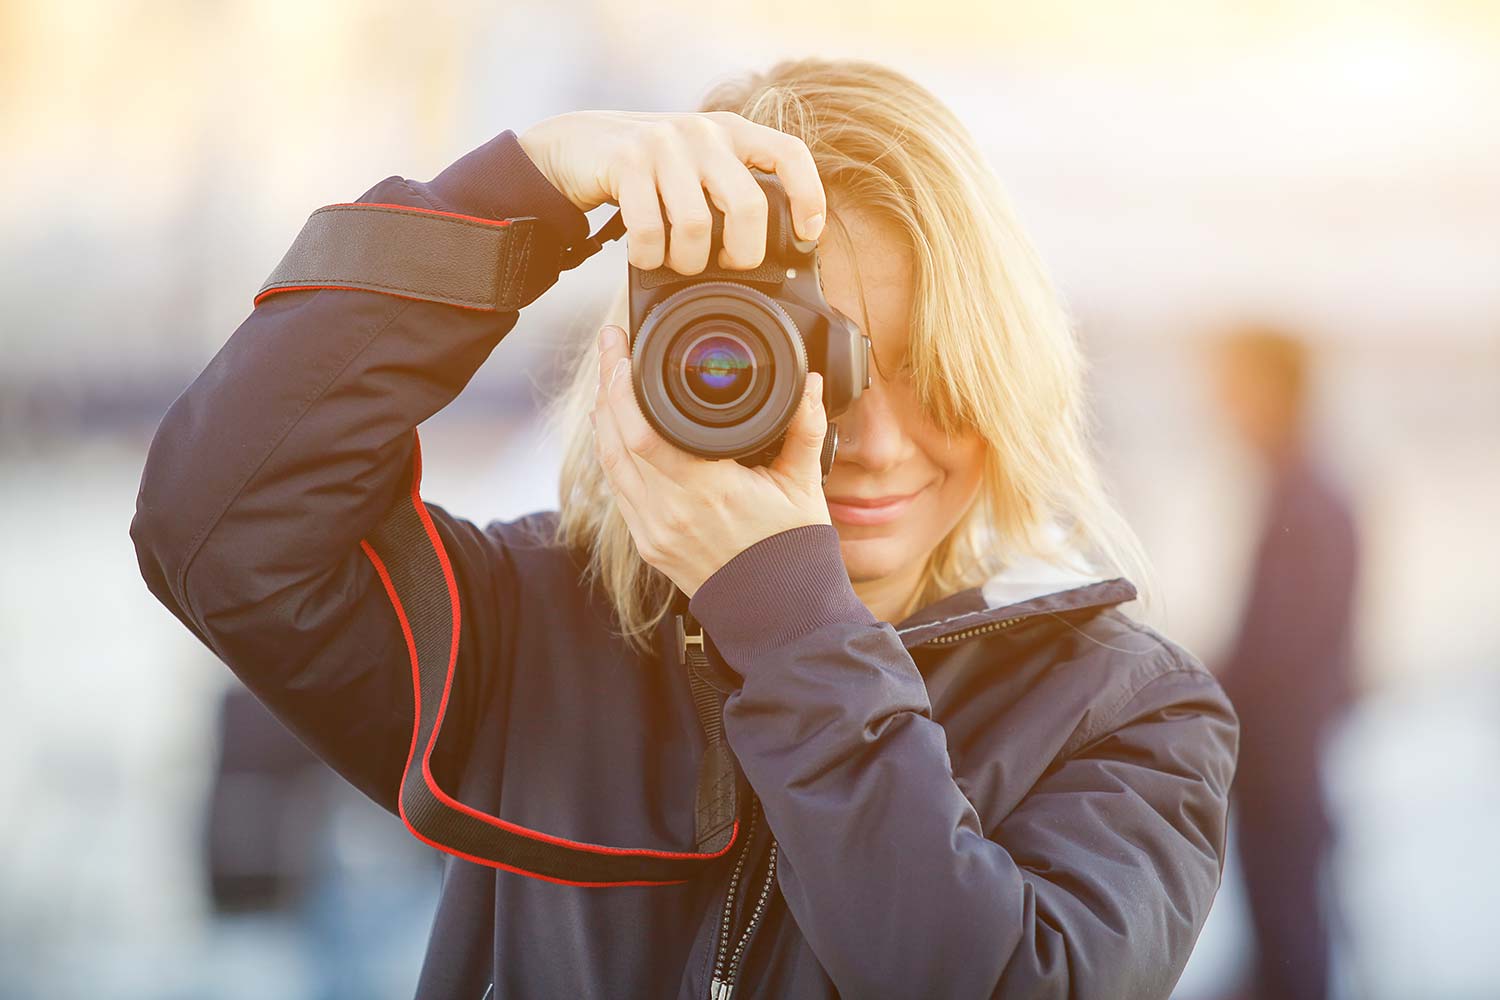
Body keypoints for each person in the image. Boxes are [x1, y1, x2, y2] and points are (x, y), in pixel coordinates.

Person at [132, 57, 1238, 999]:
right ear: (668, 358)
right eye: (820, 367)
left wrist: (790, 620)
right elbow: (215, 525)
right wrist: (524, 193)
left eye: (937, 375)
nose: (881, 441)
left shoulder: (1130, 715)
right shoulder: (530, 634)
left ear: (1006, 377)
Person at [1210, 325, 1361, 1000]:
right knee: (1283, 916)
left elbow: (1286, 644)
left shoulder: (1310, 497)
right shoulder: (1299, 488)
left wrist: (1205, 693)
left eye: (1236, 387)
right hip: (1285, 747)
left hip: (1284, 752)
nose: (1222, 405)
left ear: (1276, 390)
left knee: (1289, 920)